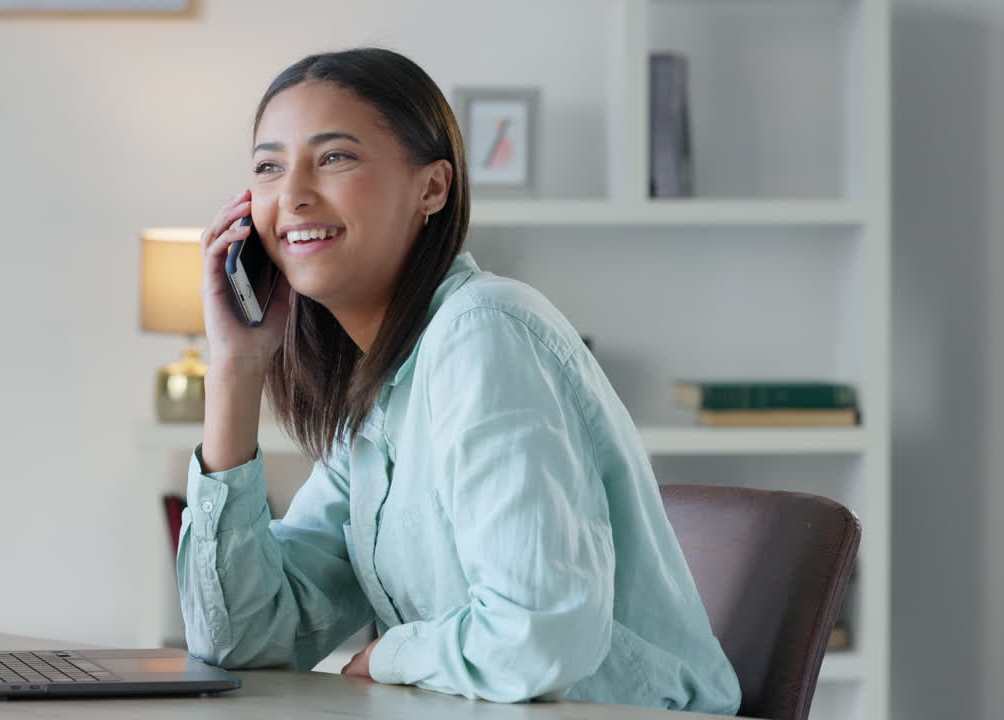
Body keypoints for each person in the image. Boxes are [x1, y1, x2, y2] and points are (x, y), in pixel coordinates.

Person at [178, 46, 741, 712]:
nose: (294, 194)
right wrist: (236, 369)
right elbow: (241, 639)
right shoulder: (376, 390)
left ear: (432, 187)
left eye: (335, 157)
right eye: (269, 166)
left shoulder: (483, 330)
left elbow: (539, 632)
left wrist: (390, 655)